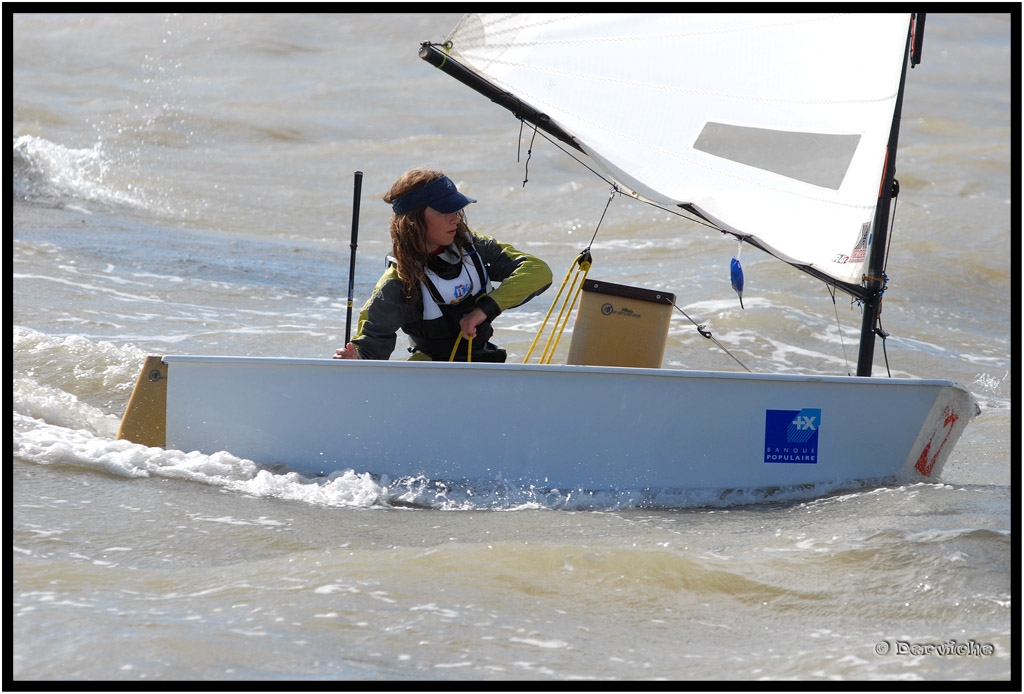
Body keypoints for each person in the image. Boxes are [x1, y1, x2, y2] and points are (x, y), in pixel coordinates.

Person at [334, 169, 551, 362]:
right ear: (414, 220)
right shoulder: (398, 282)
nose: (455, 219)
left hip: (486, 364)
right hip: (430, 376)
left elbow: (538, 271)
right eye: (444, 211)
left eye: (456, 210)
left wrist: (483, 311)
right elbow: (371, 349)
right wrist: (356, 357)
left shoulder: (476, 249)